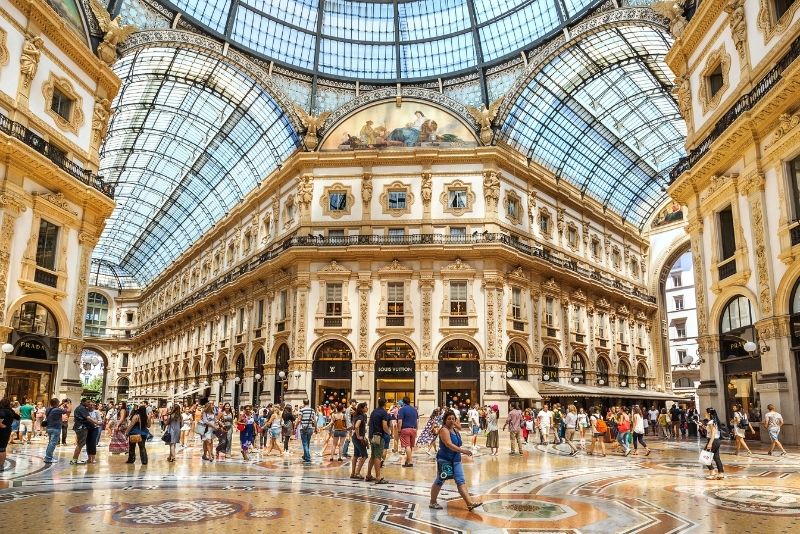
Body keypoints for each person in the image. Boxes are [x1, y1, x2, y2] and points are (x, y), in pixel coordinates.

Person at [428, 409, 482, 512]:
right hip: (445, 459)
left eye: (453, 419)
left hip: (456, 459)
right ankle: (433, 502)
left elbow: (459, 431)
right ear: (445, 420)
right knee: (440, 480)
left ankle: (469, 503)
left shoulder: (455, 430)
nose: (451, 420)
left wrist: (456, 424)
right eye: (449, 419)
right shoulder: (444, 430)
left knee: (461, 481)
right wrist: (463, 451)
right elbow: (448, 444)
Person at [365, 398, 391, 484]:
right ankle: (378, 477)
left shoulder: (373, 411)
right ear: (385, 403)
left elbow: (369, 423)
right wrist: (389, 433)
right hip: (378, 435)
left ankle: (368, 475)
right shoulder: (384, 413)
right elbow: (384, 426)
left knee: (373, 455)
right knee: (378, 456)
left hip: (371, 435)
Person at [70, 398, 94, 465]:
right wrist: (97, 423)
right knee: (80, 444)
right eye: (88, 402)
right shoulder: (82, 408)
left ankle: (74, 459)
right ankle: (74, 459)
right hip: (81, 428)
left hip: (79, 427)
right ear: (83, 402)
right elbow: (88, 418)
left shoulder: (81, 408)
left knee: (80, 444)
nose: (89, 404)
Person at [702, 407, 724, 479]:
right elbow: (710, 431)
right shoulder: (714, 421)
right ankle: (721, 473)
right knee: (716, 457)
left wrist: (710, 443)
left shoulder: (711, 422)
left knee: (704, 457)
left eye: (705, 412)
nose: (704, 413)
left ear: (709, 413)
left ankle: (712, 472)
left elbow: (713, 433)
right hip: (717, 441)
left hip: (713, 441)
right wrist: (702, 426)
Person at [43, 398, 67, 463]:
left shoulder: (48, 409)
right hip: (55, 429)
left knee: (50, 443)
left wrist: (61, 403)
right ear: (56, 403)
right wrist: (68, 404)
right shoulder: (57, 410)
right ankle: (48, 458)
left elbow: (55, 407)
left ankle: (47, 456)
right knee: (52, 444)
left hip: (49, 428)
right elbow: (66, 411)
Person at [398, 396, 419, 467]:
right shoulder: (414, 410)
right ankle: (407, 461)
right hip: (413, 429)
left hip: (405, 429)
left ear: (403, 402)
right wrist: (416, 429)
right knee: (410, 446)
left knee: (407, 446)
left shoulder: (402, 409)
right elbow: (417, 421)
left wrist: (399, 430)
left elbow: (400, 421)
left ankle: (410, 462)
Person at [350, 402, 369, 479]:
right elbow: (357, 426)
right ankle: (357, 473)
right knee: (364, 455)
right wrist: (359, 436)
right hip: (358, 438)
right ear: (362, 408)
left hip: (355, 437)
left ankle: (353, 473)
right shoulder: (361, 417)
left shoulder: (356, 416)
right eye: (365, 407)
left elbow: (354, 426)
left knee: (356, 455)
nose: (366, 408)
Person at [0, 398, 19, 470]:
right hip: (7, 431)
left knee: (1, 448)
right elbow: (18, 417)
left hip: (2, 431)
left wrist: (2, 425)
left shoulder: (2, 411)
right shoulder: (11, 411)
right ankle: (1, 466)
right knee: (2, 448)